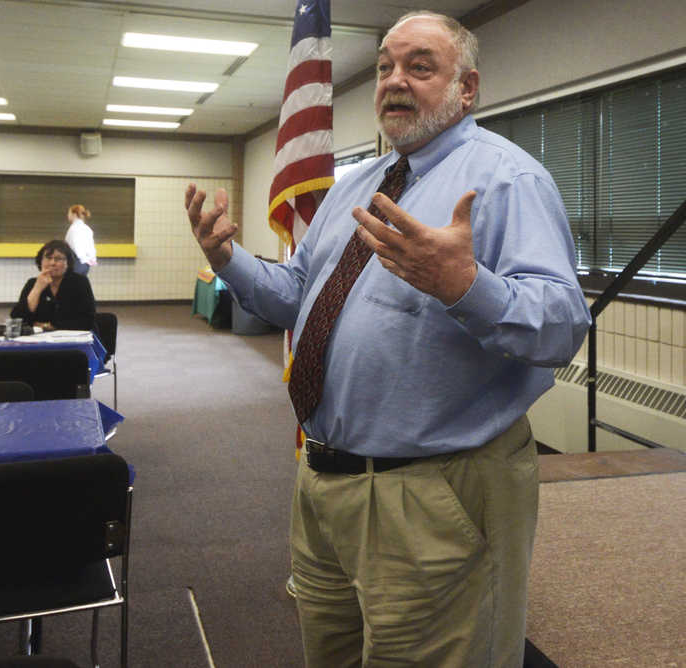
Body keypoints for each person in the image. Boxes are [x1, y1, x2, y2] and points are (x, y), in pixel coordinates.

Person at [185, 11, 591, 668]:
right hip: (324, 486)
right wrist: (228, 258)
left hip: (431, 496)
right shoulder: (360, 184)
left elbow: (562, 325)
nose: (394, 81)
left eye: (419, 66)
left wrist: (465, 285)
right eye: (384, 68)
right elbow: (295, 296)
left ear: (467, 89)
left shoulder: (507, 179)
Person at [10, 240, 95, 331]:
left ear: (68, 263)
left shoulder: (79, 282)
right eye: (48, 258)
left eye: (58, 259)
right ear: (41, 261)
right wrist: (37, 289)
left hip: (73, 338)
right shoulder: (32, 283)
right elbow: (17, 319)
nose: (52, 263)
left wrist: (49, 326)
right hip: (41, 339)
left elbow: (87, 320)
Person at [64, 204, 96, 275]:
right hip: (86, 264)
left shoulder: (74, 229)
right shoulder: (87, 228)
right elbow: (91, 246)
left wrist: (82, 258)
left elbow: (76, 246)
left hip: (76, 261)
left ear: (74, 214)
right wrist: (92, 259)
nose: (68, 216)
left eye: (69, 213)